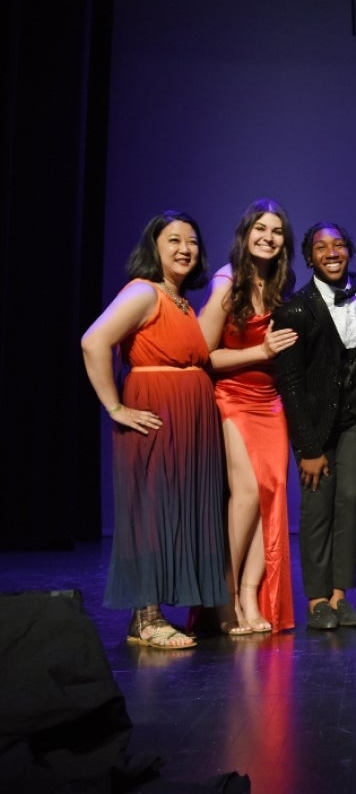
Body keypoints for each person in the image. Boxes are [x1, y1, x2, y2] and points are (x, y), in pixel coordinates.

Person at [80, 210, 226, 649]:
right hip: (155, 411)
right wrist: (115, 406)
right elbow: (93, 340)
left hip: (189, 415)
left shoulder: (180, 301)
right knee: (150, 510)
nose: (185, 249)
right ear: (154, 248)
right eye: (174, 240)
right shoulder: (144, 292)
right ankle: (146, 618)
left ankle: (147, 617)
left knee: (173, 509)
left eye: (193, 242)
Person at [273, 222, 356, 630]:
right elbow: (291, 383)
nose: (331, 252)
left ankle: (340, 596)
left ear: (349, 251)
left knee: (350, 501)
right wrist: (307, 448)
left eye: (338, 244)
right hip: (316, 428)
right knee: (318, 507)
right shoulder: (295, 309)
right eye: (321, 247)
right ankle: (317, 599)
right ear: (310, 257)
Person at [197, 199, 298, 635]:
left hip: (270, 401)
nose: (268, 237)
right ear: (245, 233)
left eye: (276, 231)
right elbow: (201, 353)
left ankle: (250, 597)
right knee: (246, 496)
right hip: (233, 398)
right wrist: (261, 351)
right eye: (260, 228)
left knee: (270, 496)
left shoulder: (277, 284)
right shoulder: (228, 282)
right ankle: (223, 596)